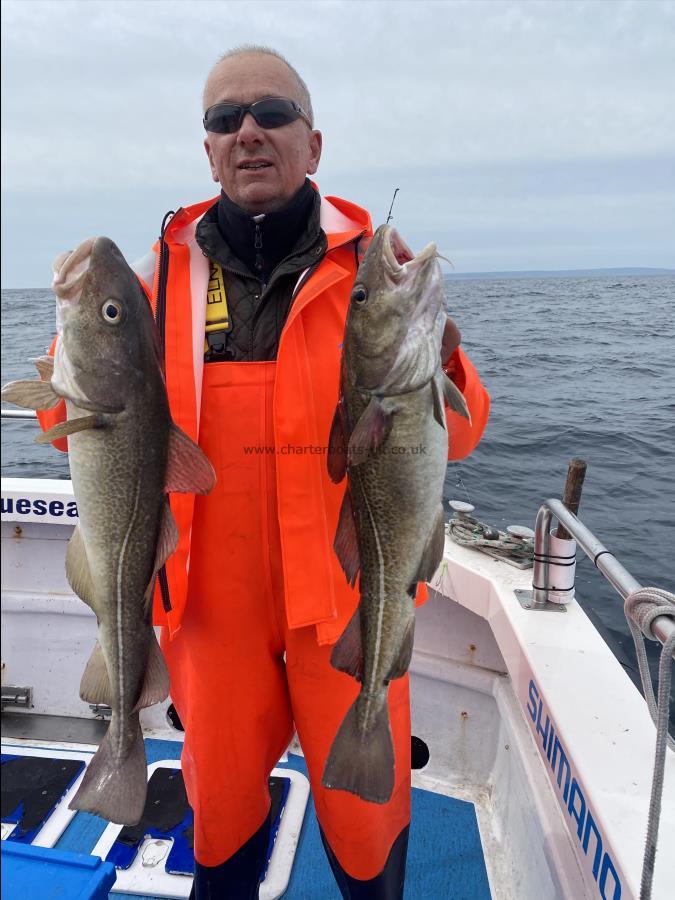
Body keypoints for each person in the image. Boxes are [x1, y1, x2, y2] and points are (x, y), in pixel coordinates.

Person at [40, 45, 490, 900]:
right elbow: (82, 438)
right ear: (206, 150)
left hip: (344, 601)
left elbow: (456, 439)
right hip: (210, 613)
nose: (248, 131)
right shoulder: (150, 281)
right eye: (224, 119)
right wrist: (64, 381)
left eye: (271, 113)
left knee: (366, 823)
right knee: (222, 825)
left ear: (311, 145)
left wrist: (450, 371)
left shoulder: (370, 278)